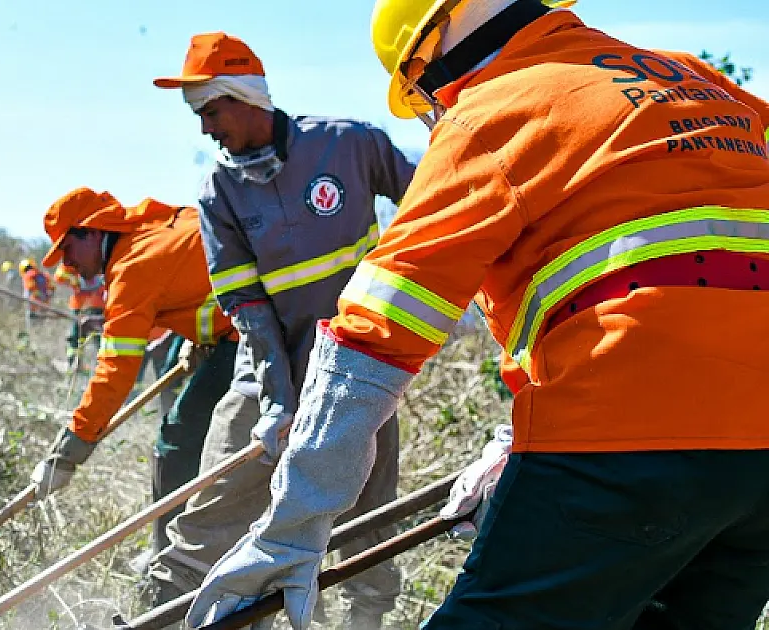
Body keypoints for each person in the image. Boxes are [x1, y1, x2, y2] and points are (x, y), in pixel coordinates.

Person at [186, 1, 769, 629]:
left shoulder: (491, 111)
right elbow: (638, 279)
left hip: (622, 438)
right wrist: (516, 437)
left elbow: (379, 331)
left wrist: (292, 528)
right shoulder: (696, 81)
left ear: (427, 59)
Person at [147, 31, 416, 628]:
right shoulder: (219, 192)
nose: (205, 130)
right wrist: (276, 402)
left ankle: (363, 620)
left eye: (211, 112)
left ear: (246, 97)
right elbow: (247, 306)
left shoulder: (351, 145)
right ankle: (163, 611)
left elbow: (432, 203)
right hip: (266, 378)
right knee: (213, 510)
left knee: (368, 514)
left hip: (365, 368)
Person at [31, 187, 240, 560]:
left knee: (174, 445)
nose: (67, 266)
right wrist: (199, 335)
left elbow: (115, 371)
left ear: (92, 231)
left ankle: (170, 562)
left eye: (67, 250)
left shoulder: (130, 269)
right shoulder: (154, 225)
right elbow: (191, 281)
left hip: (247, 339)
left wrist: (67, 453)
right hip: (249, 328)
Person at [54, 262, 107, 372]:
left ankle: (103, 366)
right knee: (78, 336)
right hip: (84, 305)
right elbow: (59, 276)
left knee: (96, 336)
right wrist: (73, 278)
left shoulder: (99, 254)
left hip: (93, 304)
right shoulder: (72, 258)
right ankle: (75, 364)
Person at [18, 258, 54, 331]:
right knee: (42, 324)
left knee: (32, 325)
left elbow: (30, 288)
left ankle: (33, 336)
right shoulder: (43, 275)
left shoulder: (28, 276)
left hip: (33, 304)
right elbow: (52, 288)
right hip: (45, 304)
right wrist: (46, 298)